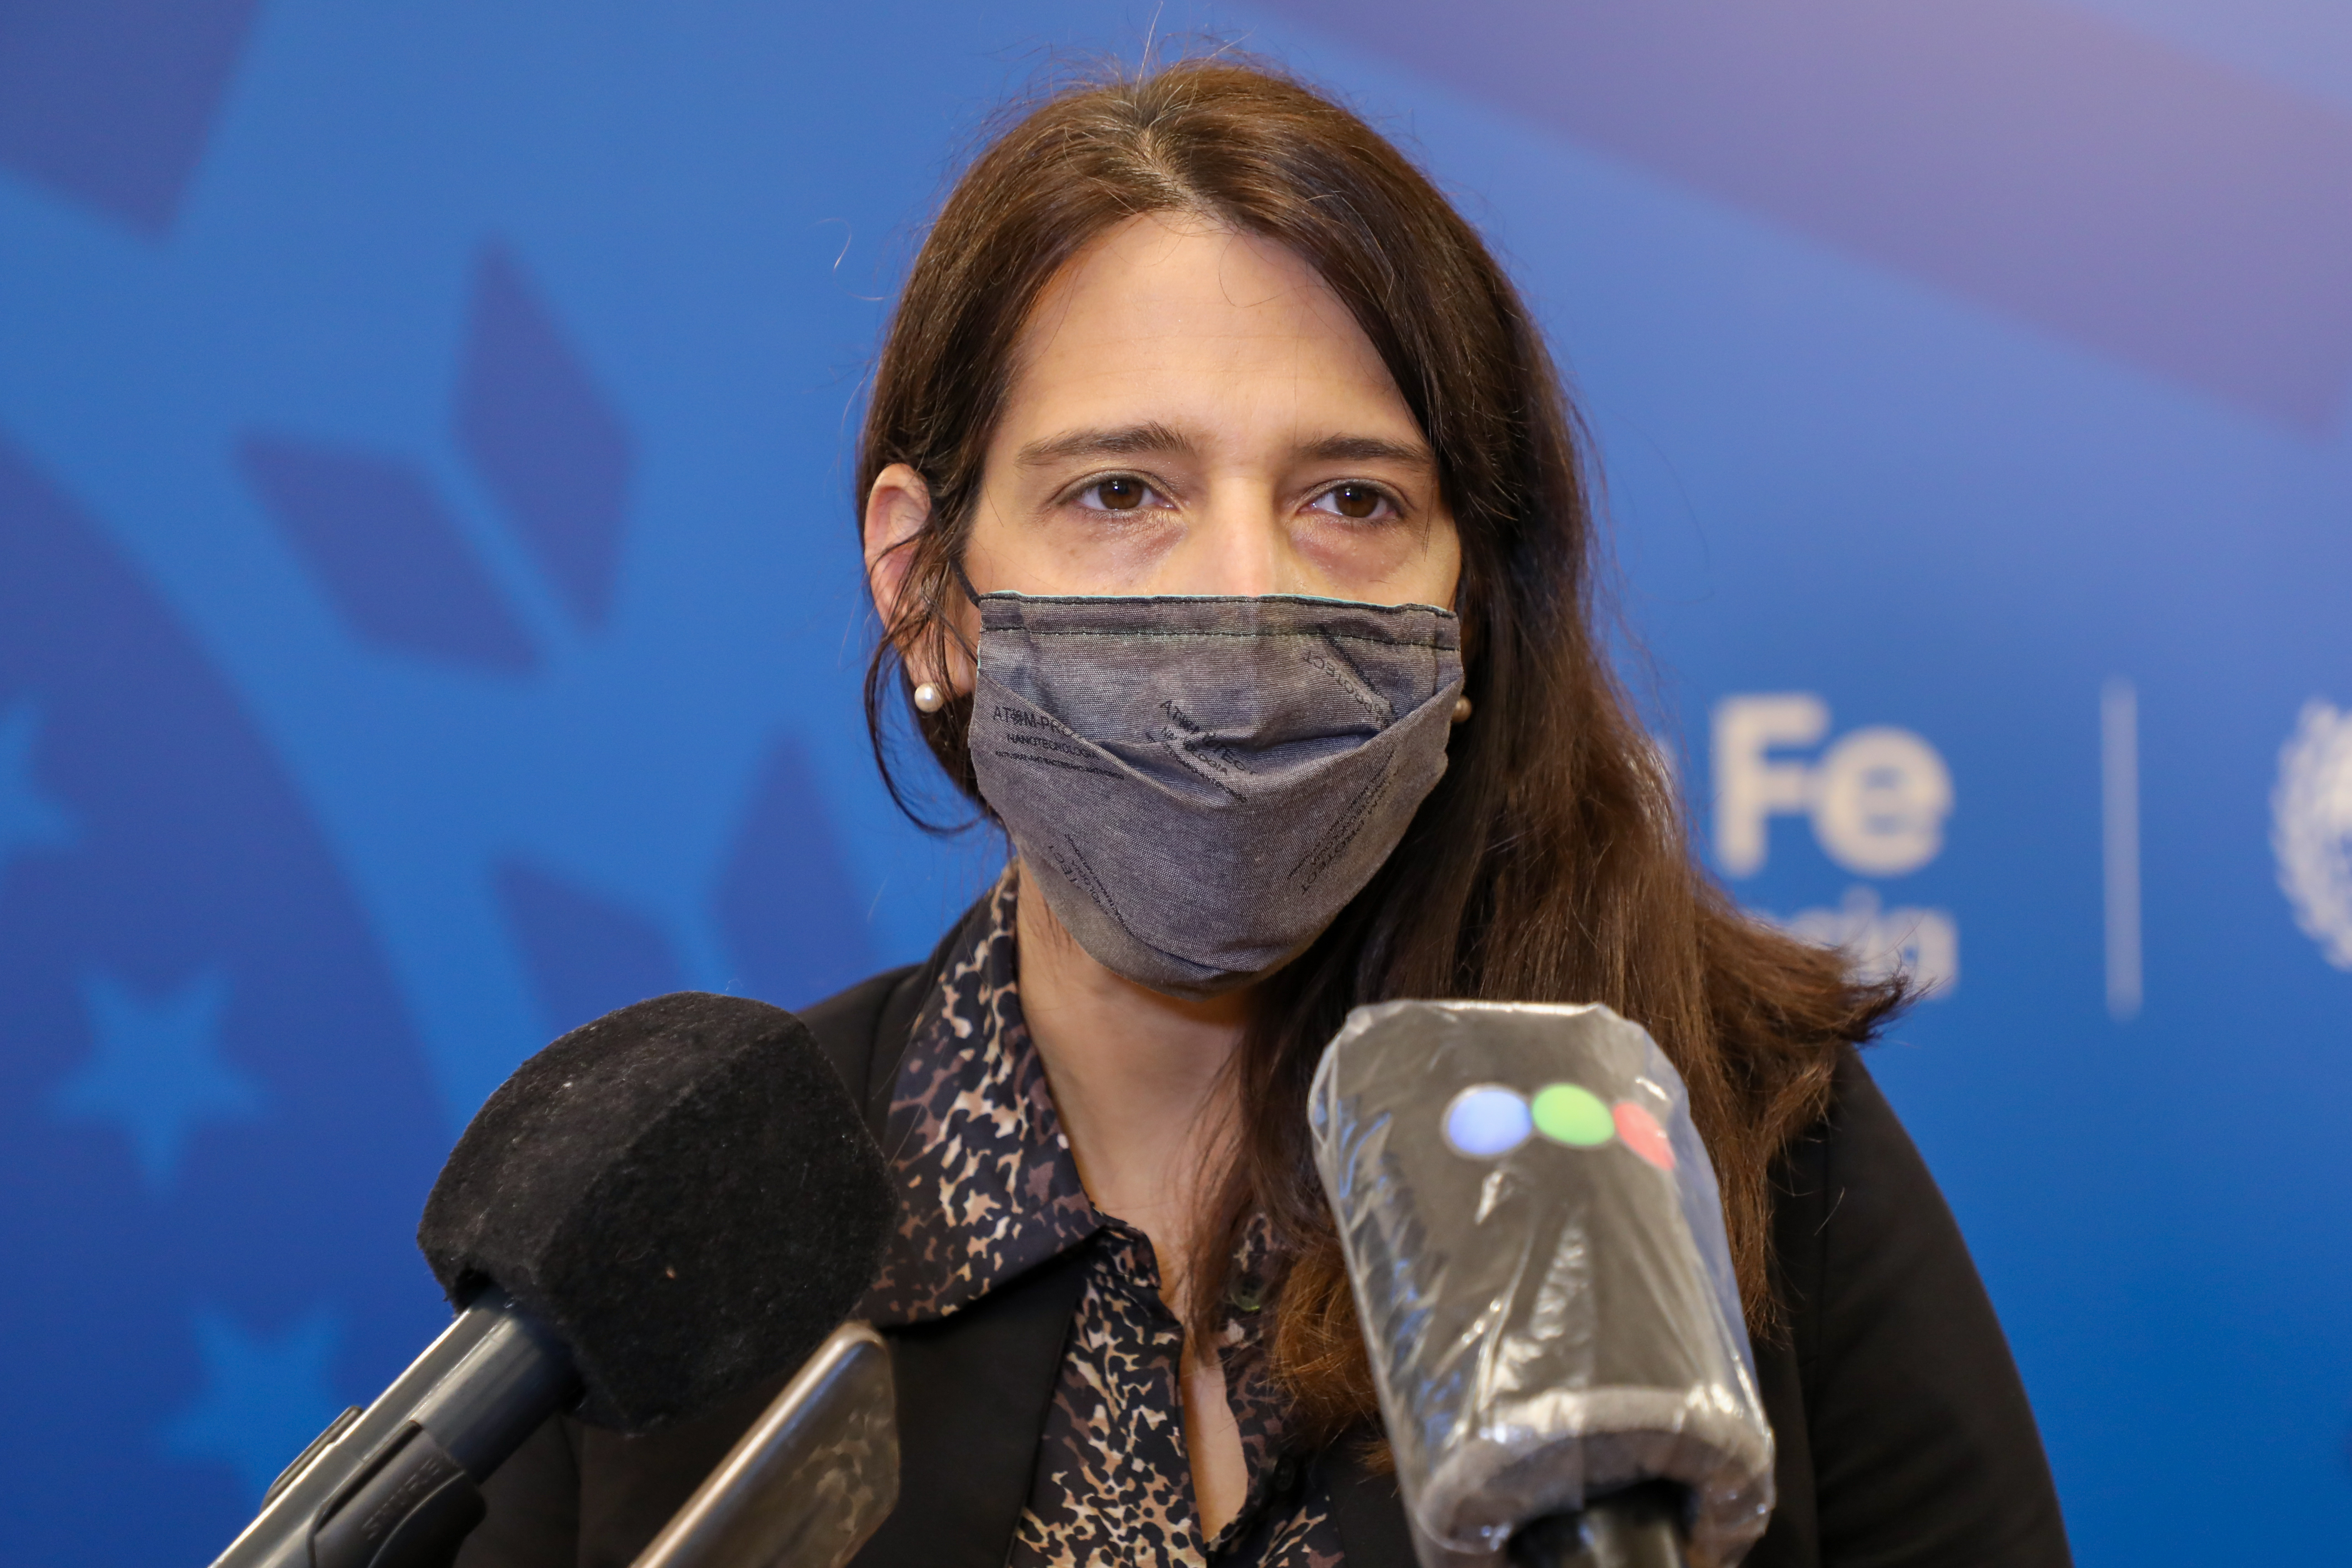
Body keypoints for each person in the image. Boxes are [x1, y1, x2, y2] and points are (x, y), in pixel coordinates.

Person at [458, 57, 2071, 1568]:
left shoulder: (1726, 1142)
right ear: (925, 591)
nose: (1246, 597)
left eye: (1352, 499)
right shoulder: (695, 1235)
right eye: (1121, 492)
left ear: (1469, 609)